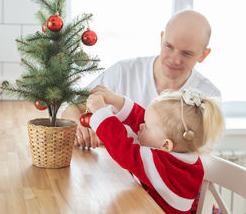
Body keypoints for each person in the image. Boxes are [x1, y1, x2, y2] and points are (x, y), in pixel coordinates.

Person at [61, 10, 220, 148]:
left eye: (186, 53)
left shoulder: (208, 96)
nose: (174, 59)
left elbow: (196, 158)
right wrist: (80, 129)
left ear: (203, 55)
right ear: (161, 38)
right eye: (169, 46)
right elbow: (72, 109)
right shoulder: (123, 71)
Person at [86, 85, 225, 214]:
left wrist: (100, 113)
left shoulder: (166, 167)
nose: (141, 126)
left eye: (146, 126)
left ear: (165, 145)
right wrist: (116, 100)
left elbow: (122, 149)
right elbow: (142, 118)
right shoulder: (182, 152)